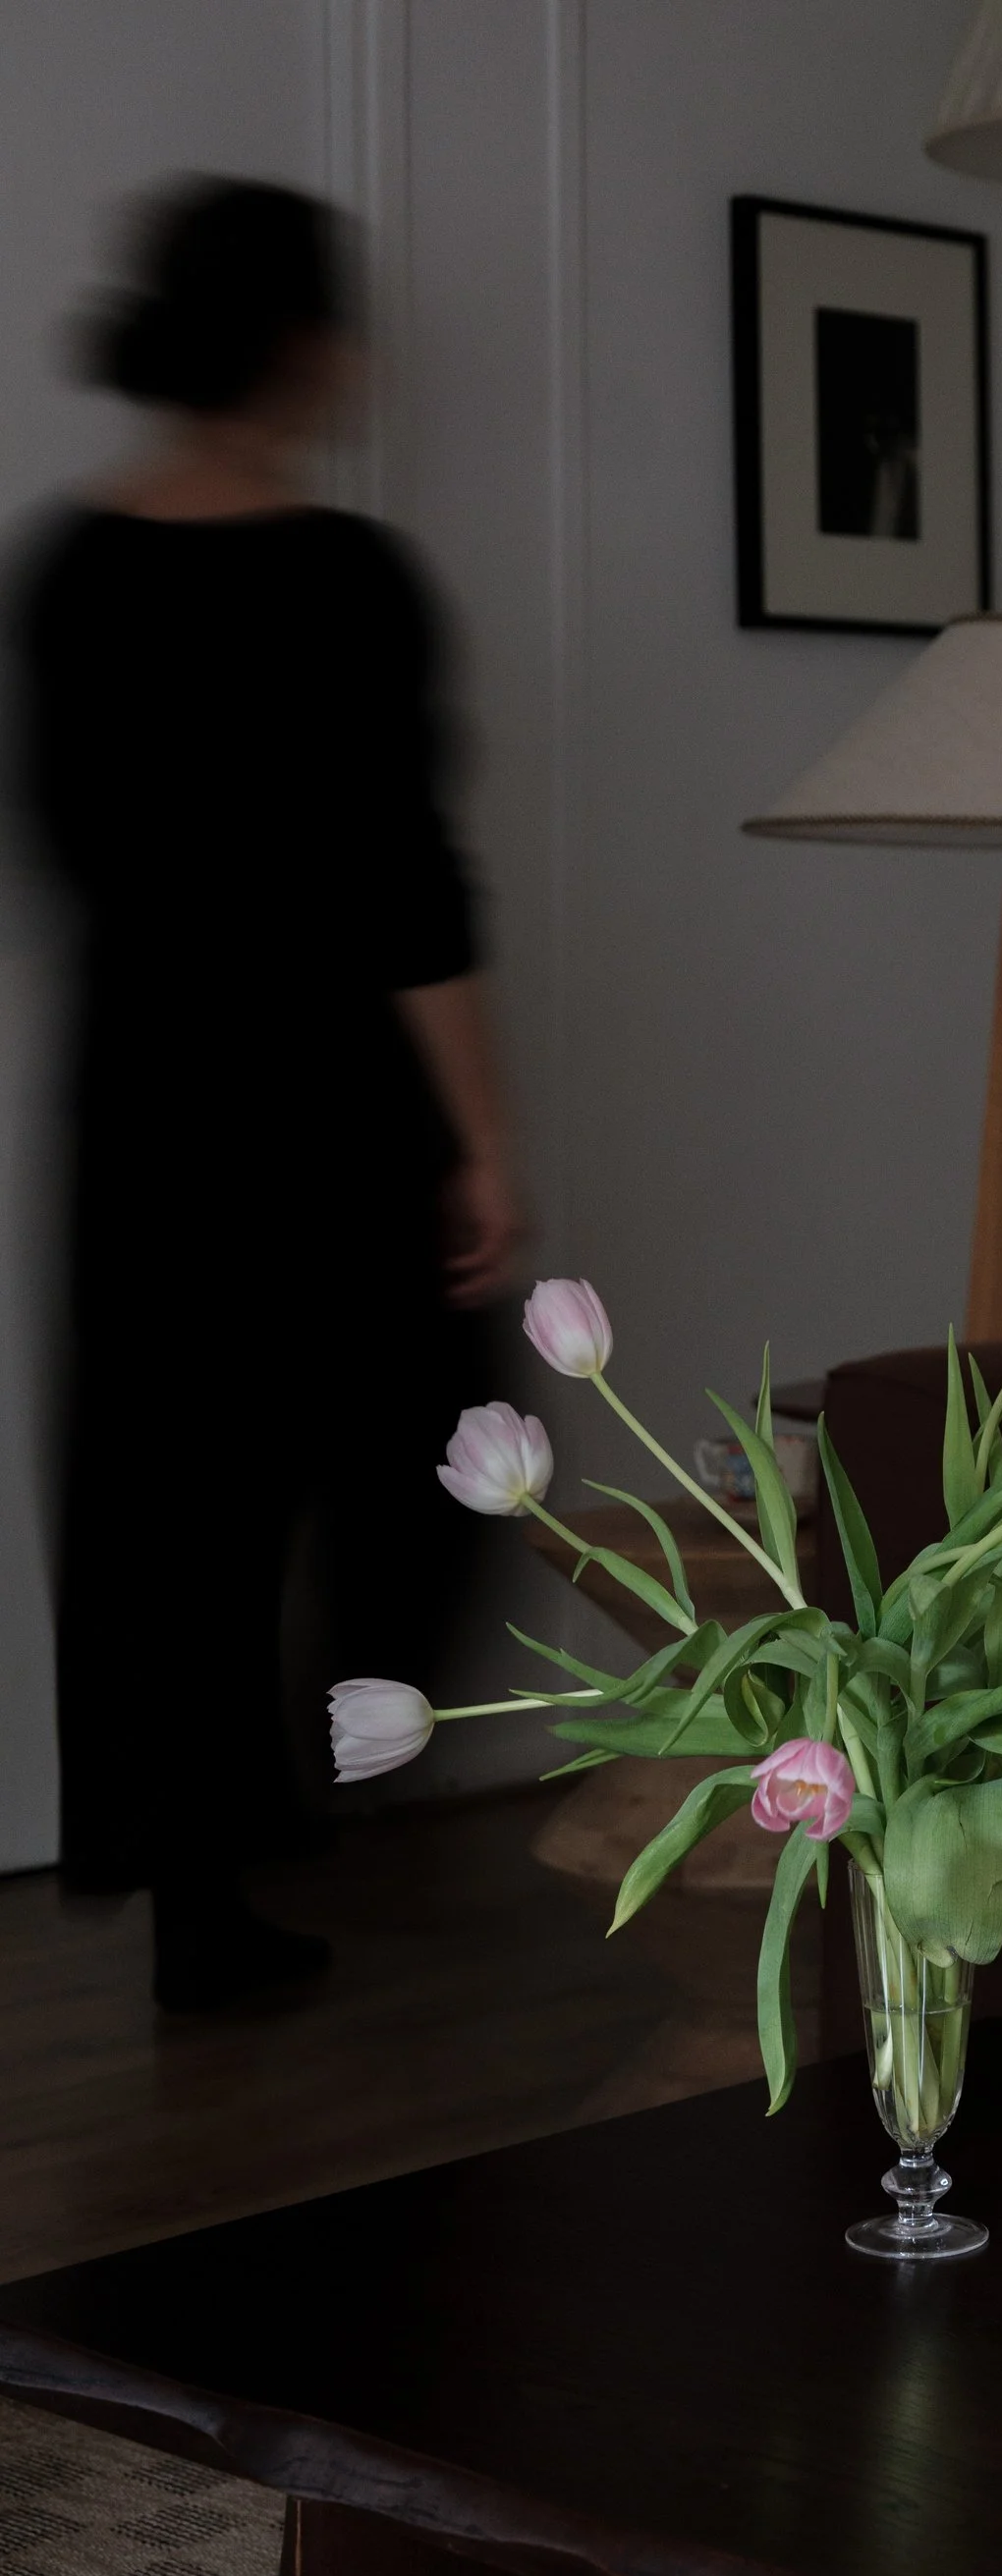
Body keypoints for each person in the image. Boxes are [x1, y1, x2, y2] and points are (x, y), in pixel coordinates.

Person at [11, 179, 523, 2009]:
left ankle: (203, 1902)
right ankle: (315, 1782)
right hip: (330, 1098)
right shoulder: (345, 577)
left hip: (145, 1102)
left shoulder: (64, 567)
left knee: (175, 1504)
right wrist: (479, 1136)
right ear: (304, 345)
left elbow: (61, 843)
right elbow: (409, 891)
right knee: (436, 1446)